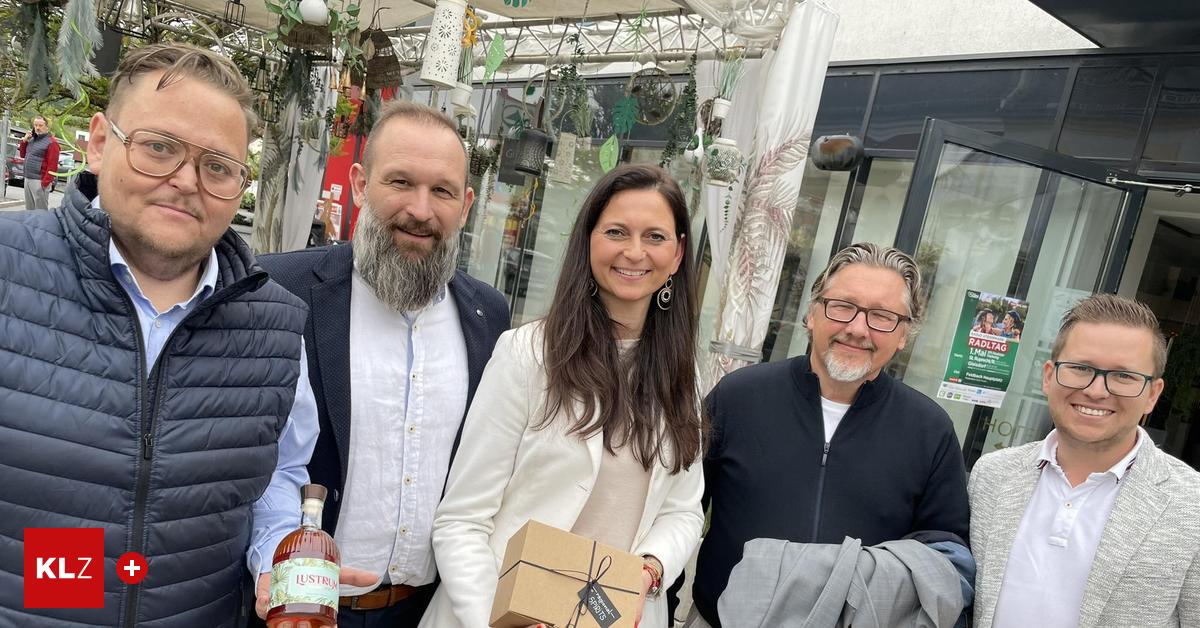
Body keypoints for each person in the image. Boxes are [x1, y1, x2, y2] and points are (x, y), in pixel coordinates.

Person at [0, 43, 371, 627]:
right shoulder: (9, 271)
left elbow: (276, 473)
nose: (185, 181)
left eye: (218, 166)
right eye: (159, 148)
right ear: (100, 142)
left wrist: (278, 551)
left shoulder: (275, 323)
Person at [256, 100, 510, 626]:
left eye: (441, 191)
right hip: (303, 608)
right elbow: (248, 455)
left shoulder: (488, 315)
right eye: (400, 182)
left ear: (465, 206)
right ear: (358, 184)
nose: (420, 210)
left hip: (429, 611)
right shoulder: (280, 291)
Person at [420, 164, 705, 628]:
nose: (635, 252)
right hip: (501, 613)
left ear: (677, 255)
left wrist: (649, 571)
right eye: (617, 231)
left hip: (615, 618)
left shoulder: (681, 376)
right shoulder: (528, 354)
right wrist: (497, 618)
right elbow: (461, 520)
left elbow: (683, 510)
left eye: (655, 236)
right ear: (588, 241)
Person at [689, 242, 970, 628]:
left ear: (905, 335)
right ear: (811, 313)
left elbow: (943, 555)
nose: (857, 329)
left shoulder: (930, 429)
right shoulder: (739, 396)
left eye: (882, 316)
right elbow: (682, 505)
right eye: (842, 306)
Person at [969, 293, 1199, 628]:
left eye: (1124, 376)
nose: (1096, 390)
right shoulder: (991, 475)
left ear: (1153, 394)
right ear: (1049, 376)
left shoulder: (1191, 504)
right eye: (1080, 368)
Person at [17, 114, 61, 209]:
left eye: (40, 125)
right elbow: (22, 155)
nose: (37, 128)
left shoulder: (52, 143)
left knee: (40, 211)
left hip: (39, 180)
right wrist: (24, 141)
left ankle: (41, 224)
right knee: (29, 209)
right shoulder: (32, 139)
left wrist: (45, 183)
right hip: (28, 178)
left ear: (47, 127)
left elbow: (52, 166)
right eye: (35, 125)